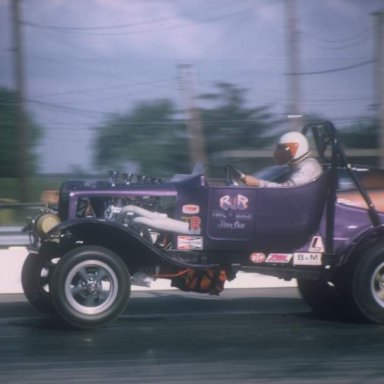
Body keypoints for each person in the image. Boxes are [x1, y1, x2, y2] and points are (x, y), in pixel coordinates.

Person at [241, 131, 322, 187]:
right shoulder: (295, 165)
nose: (280, 152)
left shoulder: (308, 166)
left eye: (284, 149)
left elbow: (287, 190)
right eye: (280, 149)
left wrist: (257, 183)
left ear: (298, 148)